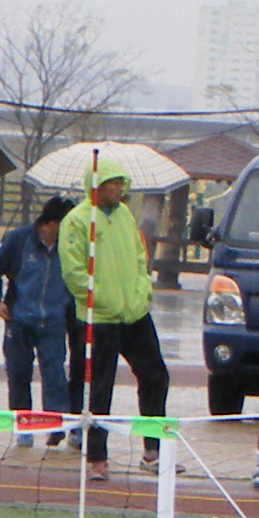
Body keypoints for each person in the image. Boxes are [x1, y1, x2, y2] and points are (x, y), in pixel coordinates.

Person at [58, 154, 165, 482]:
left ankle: (153, 451)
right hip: (99, 318)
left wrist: (142, 291)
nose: (119, 189)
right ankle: (97, 457)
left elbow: (139, 256)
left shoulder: (125, 216)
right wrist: (99, 298)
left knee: (156, 376)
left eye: (121, 183)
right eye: (113, 183)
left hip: (134, 315)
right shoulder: (77, 220)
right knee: (100, 386)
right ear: (97, 185)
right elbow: (73, 270)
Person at [0, 198, 79, 449]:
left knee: (55, 374)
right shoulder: (18, 240)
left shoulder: (72, 246)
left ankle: (56, 424)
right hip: (19, 321)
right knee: (18, 373)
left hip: (54, 321)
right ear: (51, 223)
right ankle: (24, 425)